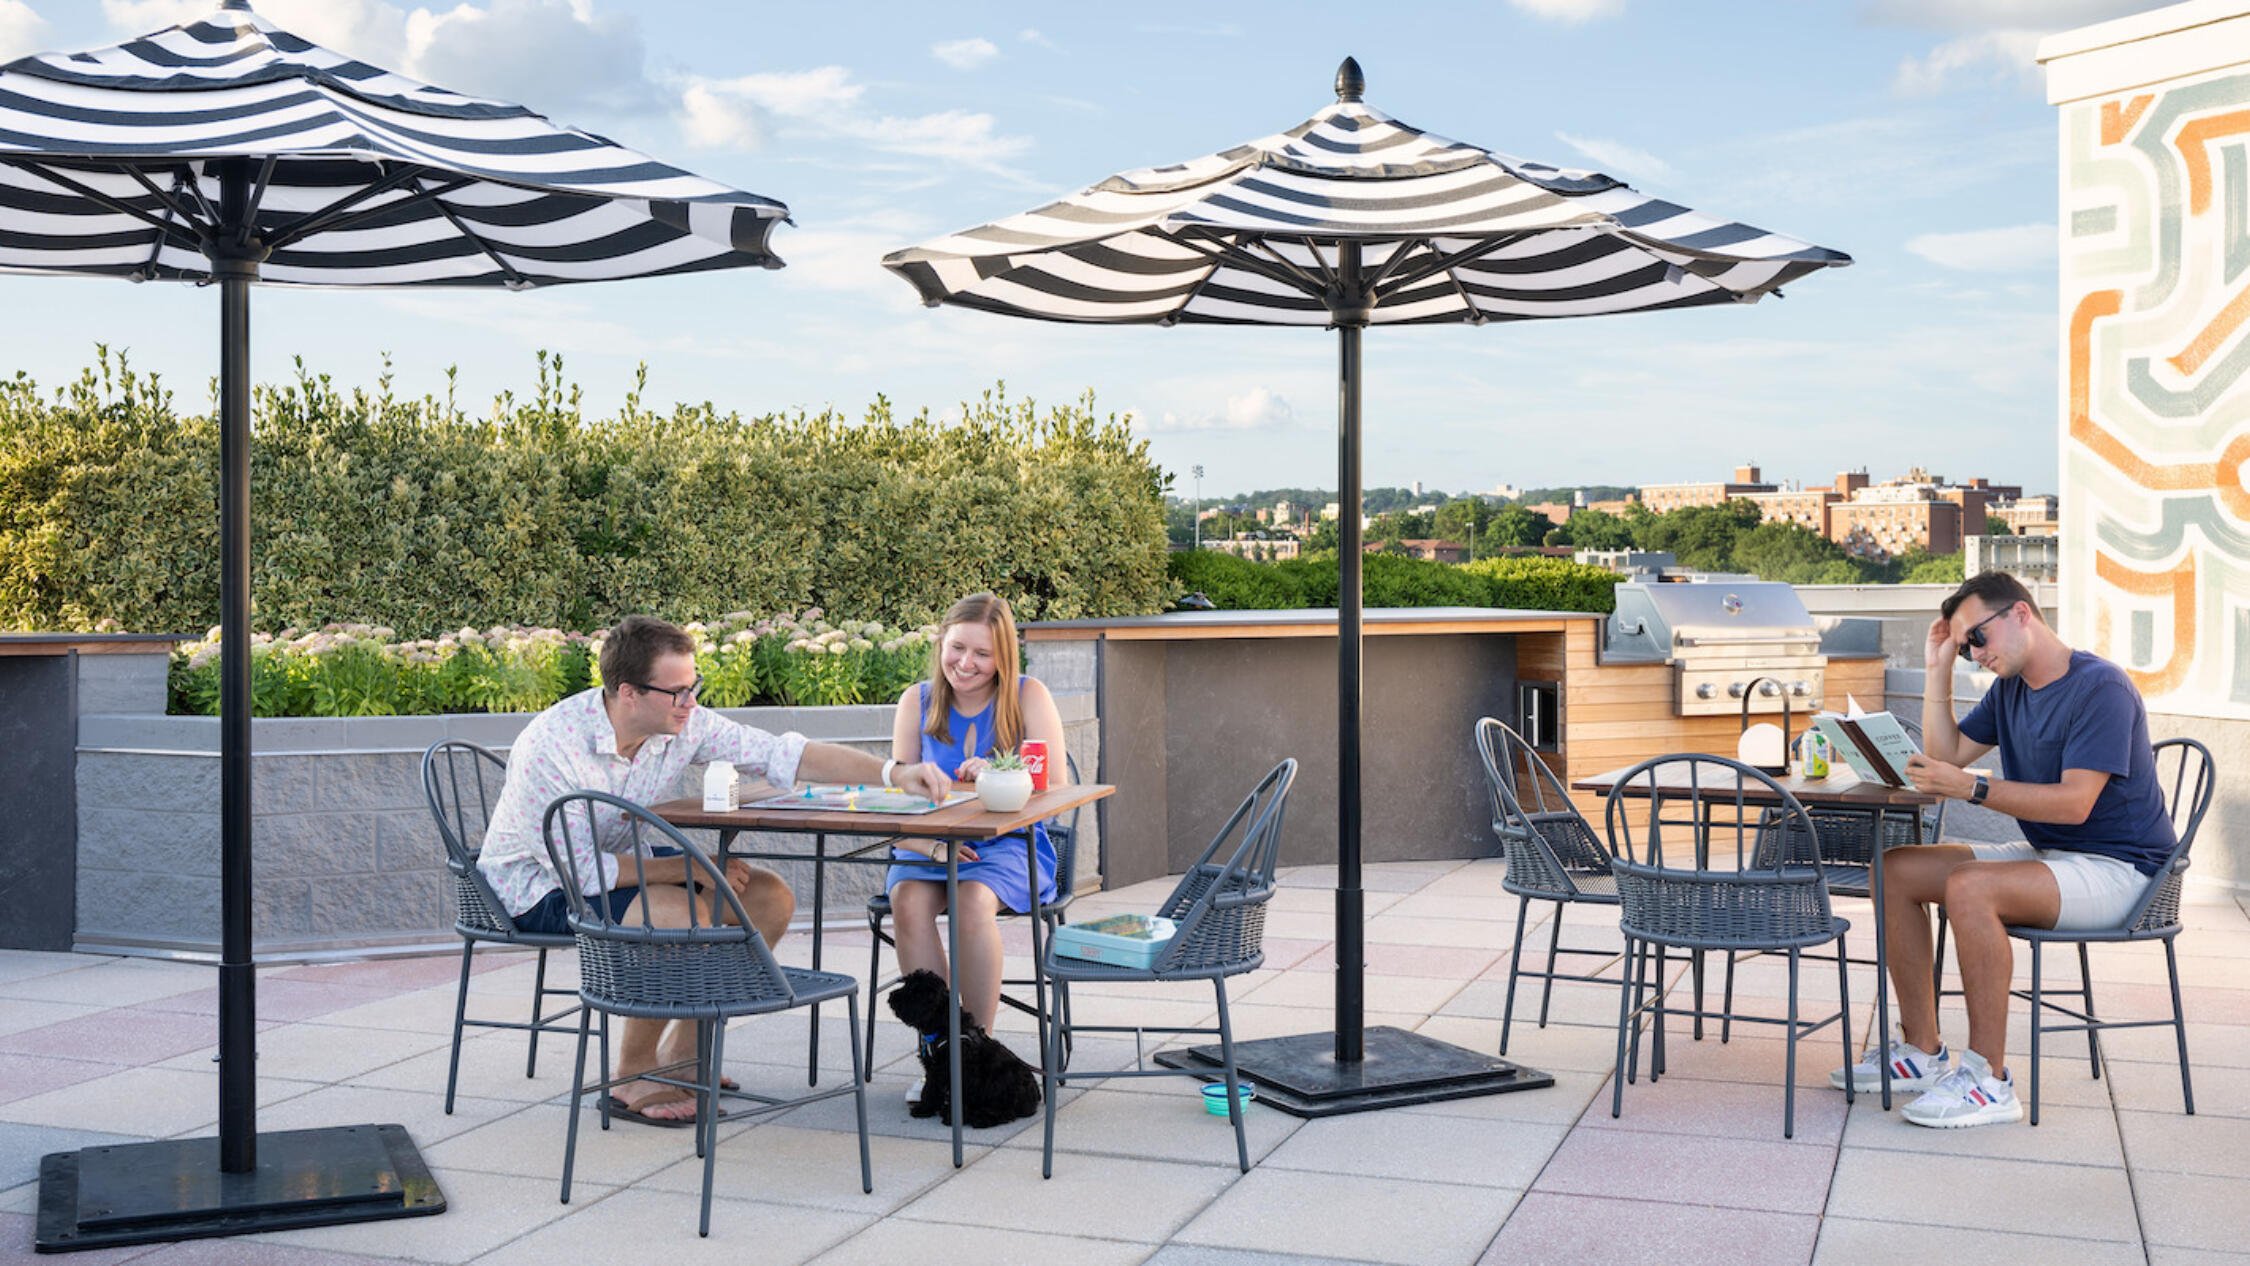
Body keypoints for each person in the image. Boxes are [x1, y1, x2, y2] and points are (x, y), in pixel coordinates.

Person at [478, 614, 951, 1126]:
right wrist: (684, 867)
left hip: (608, 862)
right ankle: (631, 1074)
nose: (691, 702)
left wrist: (894, 774)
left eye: (694, 686)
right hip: (533, 885)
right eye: (678, 691)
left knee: (766, 896)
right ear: (627, 692)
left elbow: (782, 754)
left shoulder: (680, 724)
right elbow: (577, 870)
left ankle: (684, 1056)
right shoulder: (552, 745)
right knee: (677, 911)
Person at [1830, 571, 2176, 1128]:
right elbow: (1947, 757)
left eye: (1977, 639)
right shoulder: (2011, 689)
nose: (1975, 653)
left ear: (2020, 614)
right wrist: (1939, 667)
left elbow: (2074, 805)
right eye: (1966, 646)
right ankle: (1922, 1050)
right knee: (1893, 871)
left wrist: (1974, 788)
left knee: (1970, 886)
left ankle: (1989, 1080)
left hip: (2124, 871)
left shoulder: (2100, 688)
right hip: (2053, 858)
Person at [884, 592, 1066, 1103]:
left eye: (982, 654)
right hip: (928, 843)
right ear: (942, 642)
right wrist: (933, 848)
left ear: (1003, 657)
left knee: (970, 901)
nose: (965, 663)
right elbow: (896, 794)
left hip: (1006, 844)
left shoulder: (1029, 696)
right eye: (957, 647)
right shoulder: (915, 701)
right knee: (907, 902)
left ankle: (975, 1051)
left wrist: (1000, 772)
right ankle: (939, 1049)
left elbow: (1052, 787)